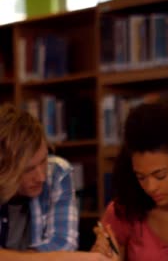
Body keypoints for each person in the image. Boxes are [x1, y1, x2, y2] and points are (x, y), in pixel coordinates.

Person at [91, 96, 168, 261]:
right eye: (140, 177)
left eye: (160, 175)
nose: (150, 187)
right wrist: (100, 255)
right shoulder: (124, 211)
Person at [0, 103, 113, 261]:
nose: (41, 176)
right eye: (28, 169)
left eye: (43, 160)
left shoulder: (57, 173)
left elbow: (63, 244)